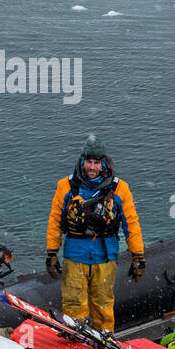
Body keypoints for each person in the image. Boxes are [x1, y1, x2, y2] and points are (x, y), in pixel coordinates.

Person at [45, 135, 144, 333]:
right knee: (73, 305)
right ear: (82, 162)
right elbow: (55, 221)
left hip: (105, 257)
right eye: (89, 162)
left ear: (104, 163)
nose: (92, 167)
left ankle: (105, 340)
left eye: (96, 163)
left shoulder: (120, 189)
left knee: (103, 307)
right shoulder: (65, 186)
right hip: (75, 256)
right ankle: (74, 342)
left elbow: (131, 224)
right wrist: (51, 252)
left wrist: (138, 255)